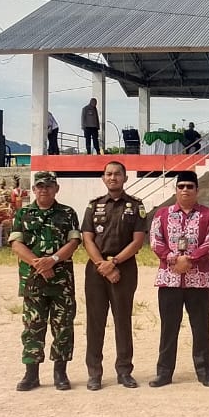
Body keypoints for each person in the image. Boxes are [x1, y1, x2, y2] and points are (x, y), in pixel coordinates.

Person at [8, 171, 82, 392]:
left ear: (56, 189)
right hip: (33, 281)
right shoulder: (23, 213)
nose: (44, 189)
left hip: (61, 282)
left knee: (63, 327)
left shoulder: (68, 213)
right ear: (33, 190)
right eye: (40, 186)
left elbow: (74, 241)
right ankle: (31, 374)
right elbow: (15, 244)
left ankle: (60, 372)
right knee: (33, 326)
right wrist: (39, 264)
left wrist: (53, 260)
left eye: (48, 186)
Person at [148, 170, 209, 387]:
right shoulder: (162, 214)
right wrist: (173, 259)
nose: (185, 190)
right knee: (168, 328)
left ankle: (204, 372)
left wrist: (189, 259)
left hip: (198, 280)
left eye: (190, 186)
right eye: (181, 187)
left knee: (200, 328)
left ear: (197, 190)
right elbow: (155, 240)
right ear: (176, 190)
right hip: (170, 279)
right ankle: (164, 373)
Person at [80, 160, 147, 390]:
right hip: (97, 269)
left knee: (122, 320)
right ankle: (94, 373)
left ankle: (124, 371)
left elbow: (138, 241)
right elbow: (87, 238)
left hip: (124, 269)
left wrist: (115, 263)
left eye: (117, 174)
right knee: (95, 322)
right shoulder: (93, 206)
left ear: (125, 178)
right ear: (103, 178)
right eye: (108, 174)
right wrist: (102, 265)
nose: (113, 178)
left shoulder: (136, 206)